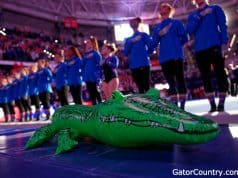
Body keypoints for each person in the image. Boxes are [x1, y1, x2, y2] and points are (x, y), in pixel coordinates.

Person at [186, 0, 229, 112]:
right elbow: (189, 30)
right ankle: (212, 105)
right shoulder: (193, 15)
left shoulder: (215, 8)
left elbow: (222, 24)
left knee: (220, 74)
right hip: (200, 49)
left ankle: (221, 103)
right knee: (205, 77)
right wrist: (199, 16)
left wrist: (224, 40)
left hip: (214, 45)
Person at [152, 3, 188, 109]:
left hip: (176, 56)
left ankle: (182, 106)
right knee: (170, 82)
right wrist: (159, 35)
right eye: (161, 9)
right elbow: (154, 43)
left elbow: (185, 38)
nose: (163, 11)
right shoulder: (157, 28)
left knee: (180, 80)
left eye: (165, 9)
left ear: (170, 10)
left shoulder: (177, 23)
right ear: (160, 12)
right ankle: (175, 106)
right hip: (164, 58)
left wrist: (176, 45)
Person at [124, 17, 153, 94]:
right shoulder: (128, 39)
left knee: (146, 86)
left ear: (138, 23)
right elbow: (125, 52)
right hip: (134, 66)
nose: (132, 23)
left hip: (144, 64)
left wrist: (145, 54)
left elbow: (151, 46)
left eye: (134, 21)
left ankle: (148, 104)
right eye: (131, 22)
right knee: (139, 87)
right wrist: (131, 42)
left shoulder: (143, 35)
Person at [83, 36, 102, 105]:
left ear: (93, 43)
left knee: (97, 93)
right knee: (92, 95)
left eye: (89, 42)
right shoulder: (86, 55)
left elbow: (100, 65)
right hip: (88, 77)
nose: (87, 44)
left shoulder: (96, 53)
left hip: (94, 77)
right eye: (87, 43)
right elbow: (83, 64)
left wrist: (99, 77)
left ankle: (101, 109)